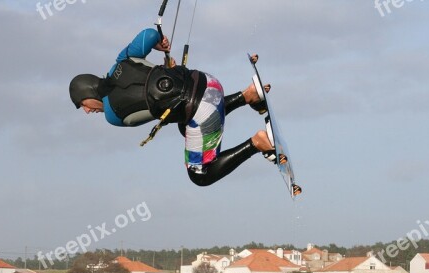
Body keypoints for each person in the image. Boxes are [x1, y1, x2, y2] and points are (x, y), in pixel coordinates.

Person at [69, 27, 277, 187]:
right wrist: (160, 43)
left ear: (87, 92)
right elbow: (150, 33)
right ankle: (248, 95)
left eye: (82, 105)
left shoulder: (113, 116)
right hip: (209, 82)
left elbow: (154, 106)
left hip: (204, 111)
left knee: (199, 174)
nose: (87, 111)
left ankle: (258, 144)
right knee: (183, 124)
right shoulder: (121, 61)